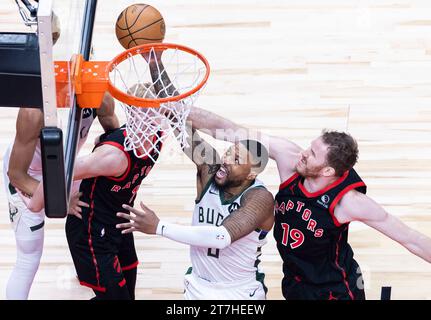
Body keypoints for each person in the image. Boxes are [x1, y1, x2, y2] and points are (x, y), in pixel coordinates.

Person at [179, 107, 431, 300]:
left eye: (312, 154)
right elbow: (228, 129)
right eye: (310, 147)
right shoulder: (289, 158)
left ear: (328, 171)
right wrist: (176, 109)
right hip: (295, 282)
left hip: (334, 289)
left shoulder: (350, 202)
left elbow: (411, 239)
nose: (303, 153)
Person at [116, 131, 275, 300]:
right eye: (228, 152)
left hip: (239, 291)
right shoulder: (210, 170)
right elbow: (184, 131)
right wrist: (170, 109)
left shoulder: (260, 198)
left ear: (251, 175)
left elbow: (221, 237)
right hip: (198, 287)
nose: (226, 160)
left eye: (236, 160)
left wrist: (159, 227)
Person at [3, 92, 118, 300]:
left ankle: (84, 267)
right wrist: (62, 199)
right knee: (28, 258)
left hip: (65, 168)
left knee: (94, 209)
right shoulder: (33, 112)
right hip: (27, 176)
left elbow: (116, 137)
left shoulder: (99, 97)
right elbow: (16, 175)